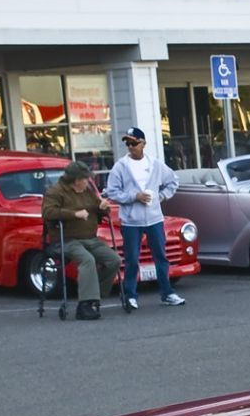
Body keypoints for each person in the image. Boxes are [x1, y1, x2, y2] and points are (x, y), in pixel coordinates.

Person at [104, 127, 183, 308]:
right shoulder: (121, 166)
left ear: (143, 143)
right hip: (131, 221)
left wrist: (160, 197)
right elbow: (112, 191)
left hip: (154, 218)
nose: (131, 147)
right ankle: (131, 295)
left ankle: (167, 292)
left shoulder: (155, 164)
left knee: (161, 257)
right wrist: (133, 197)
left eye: (134, 143)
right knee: (132, 259)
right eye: (128, 143)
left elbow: (173, 181)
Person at [41, 160, 121, 321]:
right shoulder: (56, 192)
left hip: (90, 238)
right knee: (87, 260)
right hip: (66, 239)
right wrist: (74, 214)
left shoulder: (87, 191)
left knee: (114, 260)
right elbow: (48, 212)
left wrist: (104, 208)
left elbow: (99, 208)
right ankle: (84, 305)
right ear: (77, 180)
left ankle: (95, 296)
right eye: (85, 179)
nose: (88, 181)